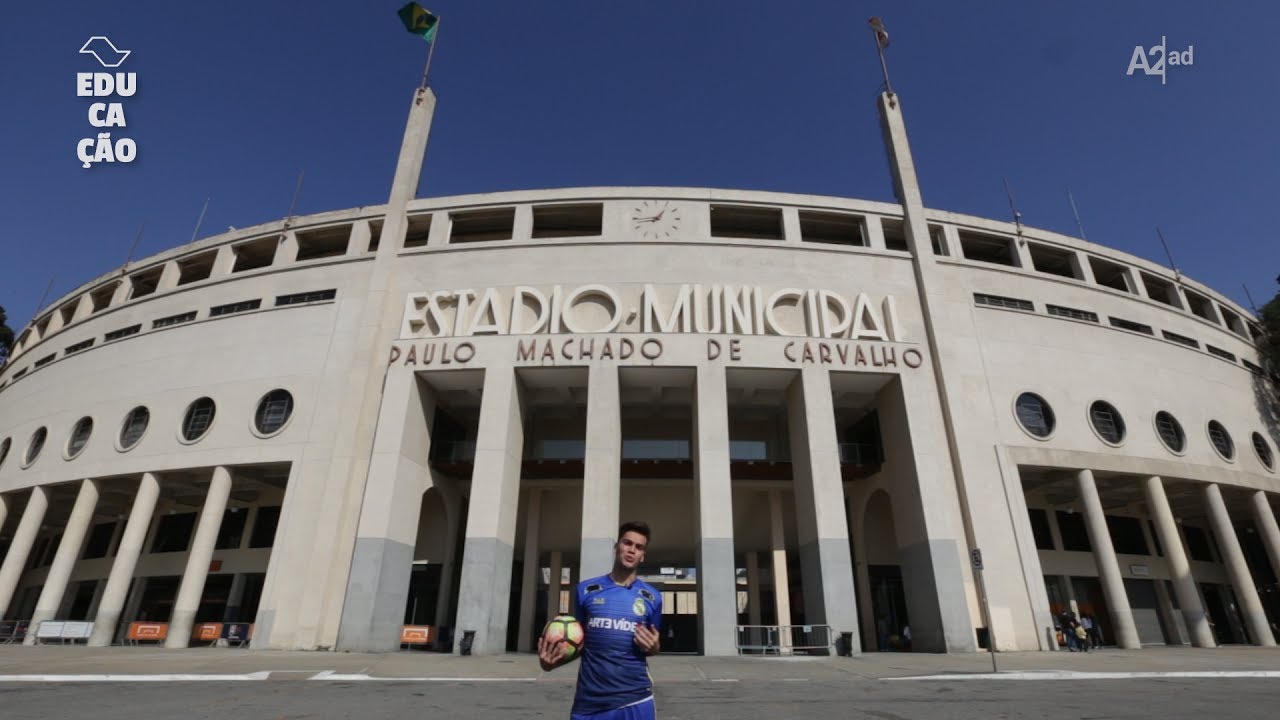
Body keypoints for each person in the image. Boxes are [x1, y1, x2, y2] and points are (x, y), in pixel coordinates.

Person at [539, 521, 663, 719]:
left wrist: (655, 648)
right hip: (590, 702)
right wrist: (552, 663)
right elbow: (579, 642)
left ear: (643, 556)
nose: (632, 550)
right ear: (617, 547)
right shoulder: (585, 590)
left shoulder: (653, 597)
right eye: (627, 543)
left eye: (639, 547)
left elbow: (653, 644)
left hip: (635, 699)